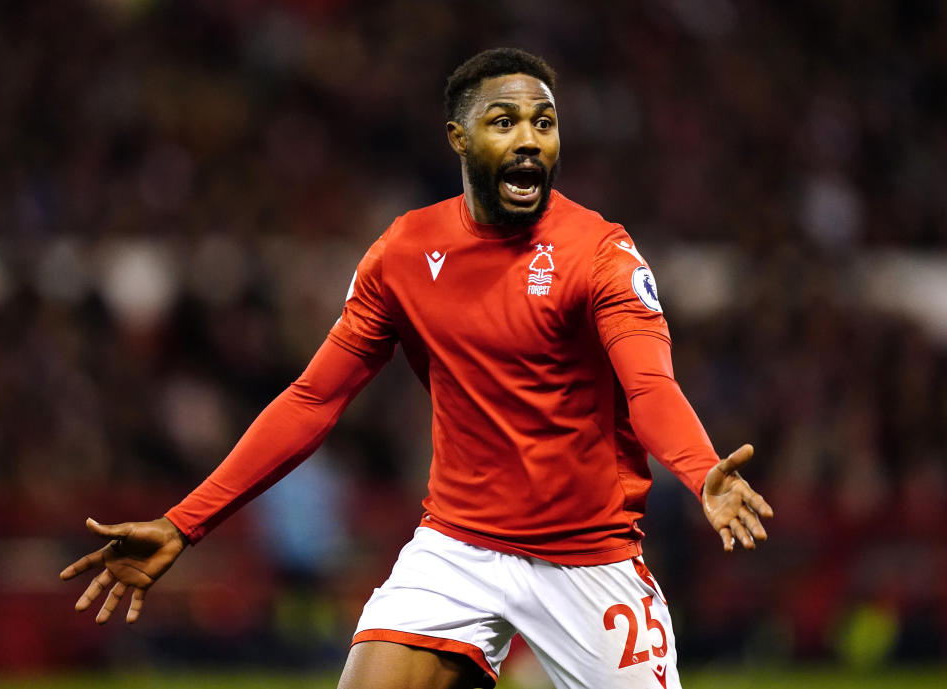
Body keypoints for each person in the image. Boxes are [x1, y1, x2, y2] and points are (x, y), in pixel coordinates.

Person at [61, 48, 773, 689]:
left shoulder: (600, 254)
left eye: (544, 123)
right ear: (459, 139)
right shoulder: (404, 255)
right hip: (458, 547)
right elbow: (312, 401)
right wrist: (185, 524)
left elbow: (648, 384)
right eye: (504, 121)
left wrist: (699, 465)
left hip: (587, 558)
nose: (529, 138)